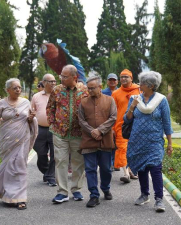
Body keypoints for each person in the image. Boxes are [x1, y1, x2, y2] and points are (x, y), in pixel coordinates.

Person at [123, 71, 173, 212]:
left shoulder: (161, 100)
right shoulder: (135, 98)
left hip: (154, 141)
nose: (140, 85)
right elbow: (127, 119)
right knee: (142, 168)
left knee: (156, 169)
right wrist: (132, 106)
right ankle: (144, 194)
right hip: (137, 141)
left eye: (142, 83)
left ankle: (159, 199)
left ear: (151, 85)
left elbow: (167, 123)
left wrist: (169, 144)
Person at [0, 78, 38, 210]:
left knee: (20, 167)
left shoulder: (26, 102)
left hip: (22, 138)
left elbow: (29, 119)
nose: (18, 90)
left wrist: (31, 118)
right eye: (15, 88)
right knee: (9, 168)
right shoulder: (2, 103)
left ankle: (20, 198)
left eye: (19, 87)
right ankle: (8, 195)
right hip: (7, 140)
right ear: (8, 90)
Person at [46, 64, 89, 203]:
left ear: (74, 77)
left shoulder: (84, 90)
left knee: (78, 162)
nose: (62, 78)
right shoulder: (56, 90)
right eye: (61, 76)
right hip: (60, 133)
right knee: (61, 161)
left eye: (65, 76)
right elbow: (50, 108)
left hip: (78, 133)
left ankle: (76, 189)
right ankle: (62, 192)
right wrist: (52, 123)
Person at [78, 75, 117, 208]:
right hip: (88, 140)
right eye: (88, 88)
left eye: (92, 88)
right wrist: (92, 131)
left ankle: (105, 188)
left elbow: (113, 117)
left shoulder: (110, 100)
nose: (90, 91)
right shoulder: (83, 102)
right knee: (90, 169)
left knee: (106, 168)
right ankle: (94, 195)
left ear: (100, 87)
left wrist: (100, 130)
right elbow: (81, 120)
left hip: (105, 139)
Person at [112, 69, 140, 183]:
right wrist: (112, 127)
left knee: (133, 149)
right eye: (122, 77)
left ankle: (130, 170)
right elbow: (113, 111)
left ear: (131, 78)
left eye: (126, 77)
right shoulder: (115, 93)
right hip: (120, 125)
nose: (123, 79)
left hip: (136, 124)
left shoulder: (139, 91)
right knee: (122, 148)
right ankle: (125, 173)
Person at [30, 74, 57, 187]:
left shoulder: (59, 95)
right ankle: (46, 172)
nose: (53, 83)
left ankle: (51, 176)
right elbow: (31, 111)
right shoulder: (36, 96)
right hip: (40, 128)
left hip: (55, 129)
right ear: (44, 82)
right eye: (50, 81)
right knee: (41, 154)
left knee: (55, 154)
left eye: (54, 81)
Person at [101, 73, 119, 171]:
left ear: (117, 81)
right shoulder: (103, 93)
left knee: (117, 144)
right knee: (109, 143)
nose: (112, 82)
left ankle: (116, 163)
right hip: (107, 120)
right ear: (107, 81)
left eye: (114, 80)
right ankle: (110, 163)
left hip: (119, 120)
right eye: (110, 80)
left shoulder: (121, 91)